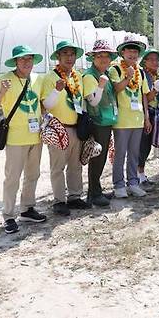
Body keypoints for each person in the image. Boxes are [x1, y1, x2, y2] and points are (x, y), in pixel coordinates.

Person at [0, 45, 47, 233]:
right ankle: (8, 215)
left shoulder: (38, 79)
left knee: (33, 174)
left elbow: (41, 104)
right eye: (22, 59)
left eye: (29, 59)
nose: (26, 62)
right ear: (15, 62)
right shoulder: (4, 80)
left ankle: (27, 209)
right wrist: (2, 93)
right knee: (12, 178)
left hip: (36, 136)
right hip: (15, 138)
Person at [41, 40, 90, 216]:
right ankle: (59, 200)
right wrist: (56, 91)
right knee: (58, 166)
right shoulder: (50, 77)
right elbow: (46, 104)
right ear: (58, 57)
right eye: (65, 54)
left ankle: (75, 196)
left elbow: (81, 102)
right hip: (58, 128)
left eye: (72, 54)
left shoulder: (77, 77)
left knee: (76, 165)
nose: (69, 57)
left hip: (76, 127)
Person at [108, 36, 151, 199]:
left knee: (134, 153)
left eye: (135, 51)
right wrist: (127, 77)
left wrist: (147, 118)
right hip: (121, 120)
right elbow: (116, 89)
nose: (132, 54)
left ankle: (133, 183)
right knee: (120, 154)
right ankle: (118, 184)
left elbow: (144, 96)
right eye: (129, 50)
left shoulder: (140, 72)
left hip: (138, 119)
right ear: (123, 52)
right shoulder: (116, 69)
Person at [82, 39, 119, 207]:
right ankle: (93, 194)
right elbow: (93, 101)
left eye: (107, 56)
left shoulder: (106, 73)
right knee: (96, 158)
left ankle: (96, 190)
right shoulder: (90, 76)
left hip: (105, 121)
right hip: (97, 122)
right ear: (93, 58)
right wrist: (101, 85)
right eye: (100, 56)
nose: (104, 59)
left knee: (101, 157)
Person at [138, 48, 159, 186]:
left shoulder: (157, 76)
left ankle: (141, 174)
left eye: (157, 60)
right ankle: (139, 175)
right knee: (143, 145)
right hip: (146, 112)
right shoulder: (142, 75)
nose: (155, 62)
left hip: (155, 113)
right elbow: (145, 98)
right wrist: (155, 90)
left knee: (147, 144)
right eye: (152, 59)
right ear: (145, 61)